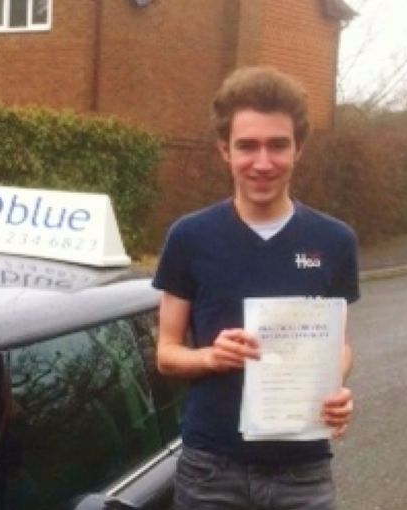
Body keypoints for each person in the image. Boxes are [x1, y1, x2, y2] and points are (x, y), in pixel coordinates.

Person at [152, 66, 359, 509]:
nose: (262, 162)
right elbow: (167, 354)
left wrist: (333, 388)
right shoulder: (189, 237)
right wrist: (211, 355)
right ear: (224, 151)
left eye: (277, 145)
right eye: (247, 146)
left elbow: (340, 345)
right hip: (211, 471)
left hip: (303, 472)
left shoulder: (334, 241)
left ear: (298, 148)